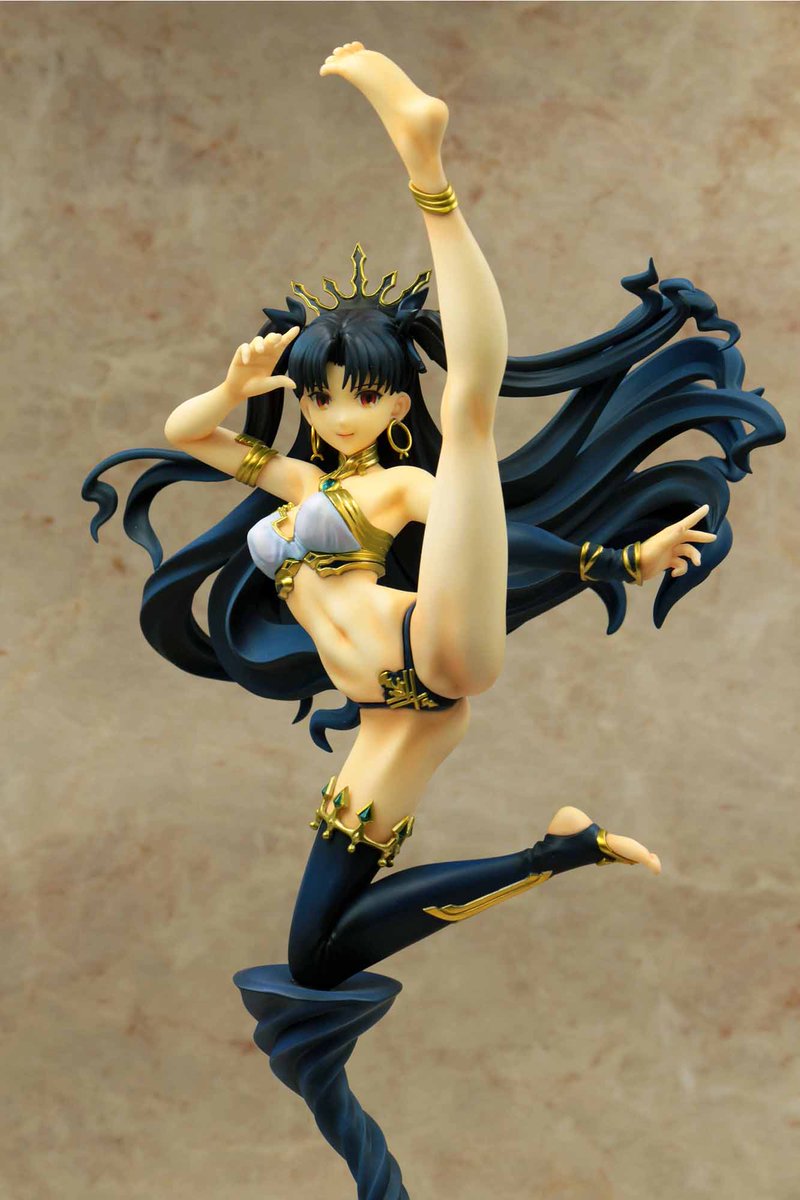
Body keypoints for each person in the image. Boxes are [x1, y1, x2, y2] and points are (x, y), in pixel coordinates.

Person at [83, 45, 784, 994]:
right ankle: (560, 852)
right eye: (321, 396)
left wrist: (613, 561)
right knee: (316, 957)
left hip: (435, 647)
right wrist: (234, 387)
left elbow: (502, 542)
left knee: (473, 419)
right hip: (394, 717)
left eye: (362, 396)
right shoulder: (302, 483)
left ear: (393, 403)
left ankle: (429, 172)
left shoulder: (400, 489)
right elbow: (186, 433)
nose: (339, 415)